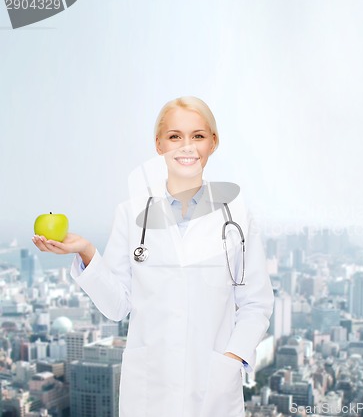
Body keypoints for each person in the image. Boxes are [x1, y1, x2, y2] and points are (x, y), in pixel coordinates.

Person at [33, 96, 275, 417]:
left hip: (213, 388)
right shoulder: (131, 214)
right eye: (175, 136)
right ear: (159, 144)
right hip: (149, 391)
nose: (186, 146)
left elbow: (256, 304)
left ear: (213, 143)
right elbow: (118, 306)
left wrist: (231, 359)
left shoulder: (237, 217)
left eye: (198, 136)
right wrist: (87, 252)